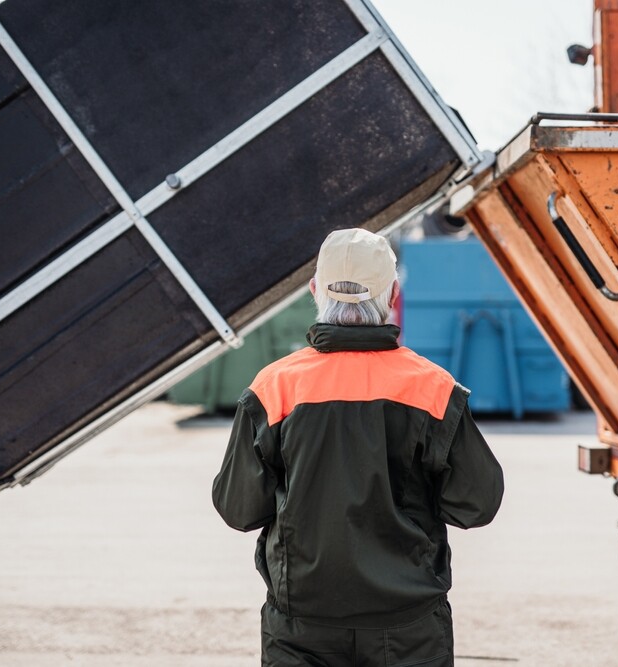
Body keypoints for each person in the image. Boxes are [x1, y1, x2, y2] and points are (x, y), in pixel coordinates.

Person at [212, 227, 504, 666]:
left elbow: (239, 509)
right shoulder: (434, 389)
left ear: (315, 291)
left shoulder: (274, 389)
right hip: (408, 627)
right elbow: (476, 505)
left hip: (301, 627)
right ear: (392, 295)